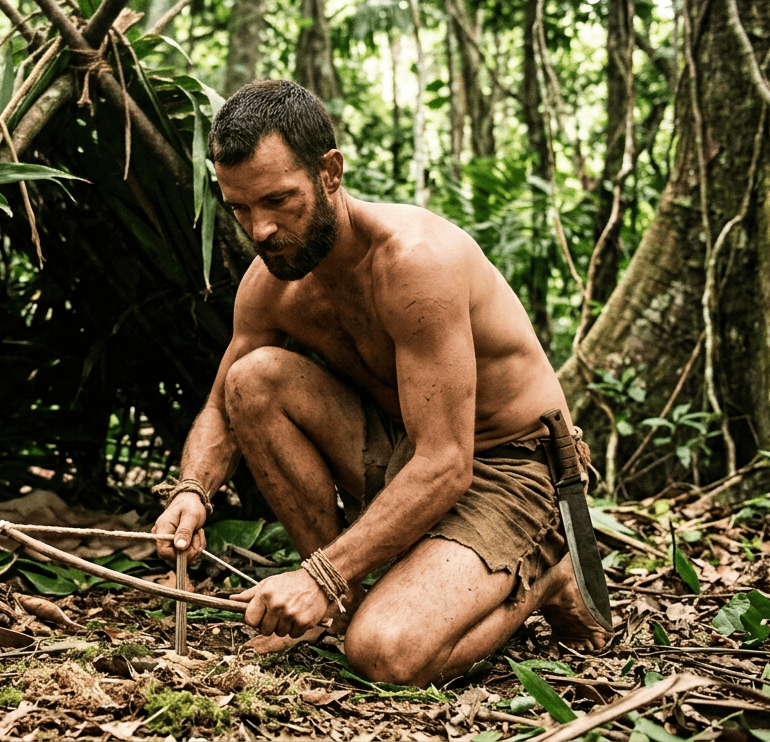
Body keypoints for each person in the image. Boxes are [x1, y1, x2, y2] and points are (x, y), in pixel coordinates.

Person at [152, 80, 611, 687]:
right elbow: (220, 404)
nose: (259, 230)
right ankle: (339, 603)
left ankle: (548, 574)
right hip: (408, 456)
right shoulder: (272, 285)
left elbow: (448, 462)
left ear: (330, 172)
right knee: (252, 379)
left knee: (384, 654)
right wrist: (192, 491)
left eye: (278, 201)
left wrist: (319, 573)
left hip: (510, 469)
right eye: (239, 209)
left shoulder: (415, 263)